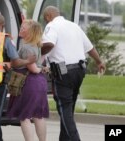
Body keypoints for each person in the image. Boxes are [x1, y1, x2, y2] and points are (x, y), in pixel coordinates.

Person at [41, 6, 106, 141]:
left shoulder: (51, 26)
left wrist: (37, 54)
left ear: (48, 16)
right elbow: (90, 47)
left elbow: (49, 44)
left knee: (64, 110)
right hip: (79, 71)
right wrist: (99, 62)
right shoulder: (74, 26)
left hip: (63, 72)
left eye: (45, 19)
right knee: (68, 111)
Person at [7, 20, 49, 141]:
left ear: (30, 32)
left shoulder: (26, 48)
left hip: (28, 82)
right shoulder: (37, 46)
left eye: (23, 28)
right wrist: (43, 69)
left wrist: (38, 69)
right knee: (38, 115)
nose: (21, 29)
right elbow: (38, 66)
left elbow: (34, 68)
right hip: (40, 83)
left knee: (24, 116)